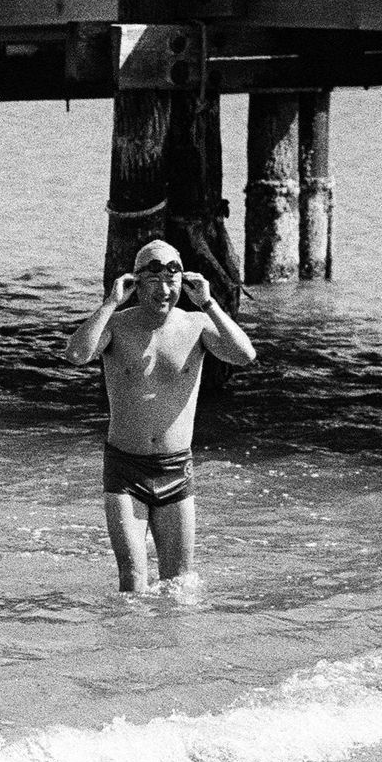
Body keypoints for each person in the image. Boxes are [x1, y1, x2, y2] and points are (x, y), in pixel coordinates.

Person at [64, 240, 255, 592]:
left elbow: (244, 355)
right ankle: (129, 631)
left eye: (172, 281)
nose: (164, 291)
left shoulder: (197, 324)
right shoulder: (116, 325)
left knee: (178, 583)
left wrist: (209, 303)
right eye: (154, 281)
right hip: (125, 469)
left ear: (184, 282)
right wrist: (110, 302)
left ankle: (174, 632)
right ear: (136, 283)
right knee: (132, 581)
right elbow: (77, 354)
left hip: (175, 469)